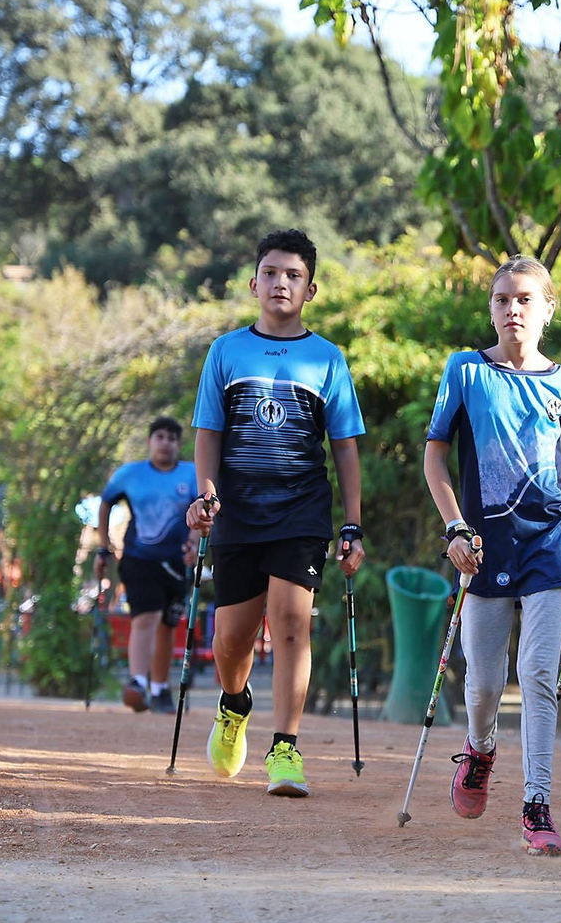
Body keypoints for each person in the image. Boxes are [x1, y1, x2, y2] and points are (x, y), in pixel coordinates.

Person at [423, 255, 561, 857]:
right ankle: (480, 750)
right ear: (491, 310)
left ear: (548, 309)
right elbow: (435, 456)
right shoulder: (467, 372)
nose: (513, 310)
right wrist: (453, 527)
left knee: (540, 678)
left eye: (526, 299)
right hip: (482, 547)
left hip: (549, 546)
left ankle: (537, 805)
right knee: (482, 683)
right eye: (502, 299)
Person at [186, 229, 365, 797]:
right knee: (232, 639)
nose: (280, 283)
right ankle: (234, 703)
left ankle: (285, 747)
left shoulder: (327, 358)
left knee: (291, 621)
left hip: (301, 510)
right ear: (253, 282)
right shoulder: (225, 351)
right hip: (237, 510)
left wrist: (352, 524)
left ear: (311, 288)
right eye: (270, 272)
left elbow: (345, 448)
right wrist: (206, 495)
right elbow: (208, 433)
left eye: (293, 275)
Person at [96, 416, 198, 714]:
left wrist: (193, 544)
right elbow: (105, 503)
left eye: (171, 438)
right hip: (139, 559)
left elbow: (202, 512)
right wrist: (104, 547)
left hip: (177, 562)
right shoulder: (130, 474)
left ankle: (160, 689)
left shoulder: (191, 474)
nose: (165, 443)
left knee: (167, 624)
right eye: (160, 437)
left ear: (179, 445)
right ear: (150, 441)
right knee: (146, 617)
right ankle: (138, 682)